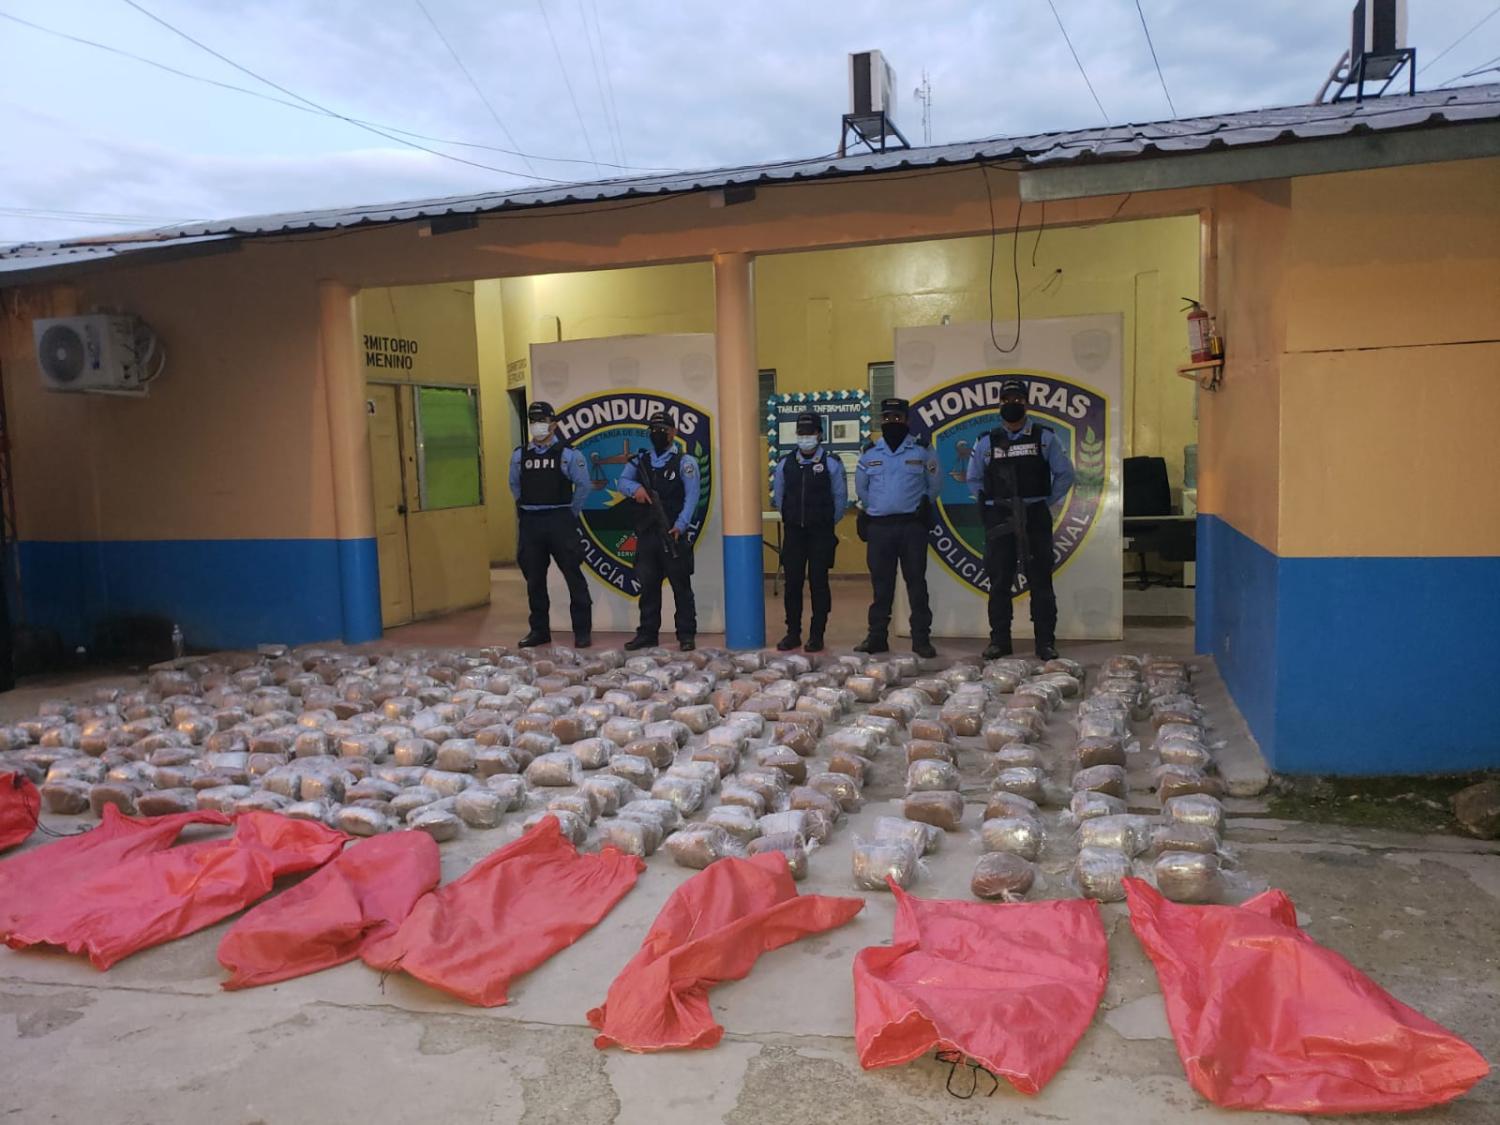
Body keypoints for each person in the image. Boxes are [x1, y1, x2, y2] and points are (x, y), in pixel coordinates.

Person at [965, 377, 1075, 661]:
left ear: (1026, 404)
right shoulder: (986, 442)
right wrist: (988, 506)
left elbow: (1065, 474)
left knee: (1041, 581)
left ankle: (1045, 643)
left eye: (1017, 400)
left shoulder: (1044, 437)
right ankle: (1000, 641)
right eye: (1006, 400)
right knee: (999, 581)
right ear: (998, 404)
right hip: (1000, 516)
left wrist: (1044, 502)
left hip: (1033, 516)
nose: (1012, 405)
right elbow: (973, 478)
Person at [854, 397, 940, 659]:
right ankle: (877, 637)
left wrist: (922, 505)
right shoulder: (870, 453)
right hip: (880, 528)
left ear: (907, 420)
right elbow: (861, 489)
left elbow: (934, 485)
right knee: (881, 586)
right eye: (888, 419)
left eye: (898, 418)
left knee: (916, 583)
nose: (893, 423)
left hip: (911, 526)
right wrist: (877, 509)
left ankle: (921, 639)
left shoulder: (923, 450)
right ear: (882, 421)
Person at [509, 401, 592, 649]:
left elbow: (584, 486)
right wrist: (526, 509)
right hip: (531, 522)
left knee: (573, 577)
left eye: (542, 421)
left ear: (553, 424)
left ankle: (582, 632)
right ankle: (539, 631)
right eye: (533, 421)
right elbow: (515, 486)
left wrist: (570, 514)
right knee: (534, 580)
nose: (537, 426)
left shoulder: (568, 454)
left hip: (560, 520)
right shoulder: (519, 455)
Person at [618, 411, 699, 652]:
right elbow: (621, 483)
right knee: (648, 587)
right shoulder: (640, 462)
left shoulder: (686, 462)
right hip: (647, 534)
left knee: (681, 588)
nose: (658, 435)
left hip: (673, 532)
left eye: (662, 430)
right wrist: (636, 490)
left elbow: (692, 497)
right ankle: (647, 633)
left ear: (673, 432)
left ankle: (686, 634)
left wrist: (681, 525)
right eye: (653, 430)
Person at [772, 412, 848, 653]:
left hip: (821, 534)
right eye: (801, 433)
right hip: (794, 533)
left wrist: (824, 523)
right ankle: (792, 633)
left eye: (810, 433)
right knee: (792, 585)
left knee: (819, 584)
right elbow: (779, 498)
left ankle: (817, 635)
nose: (805, 438)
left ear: (819, 434)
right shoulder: (785, 464)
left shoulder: (831, 463)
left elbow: (840, 500)